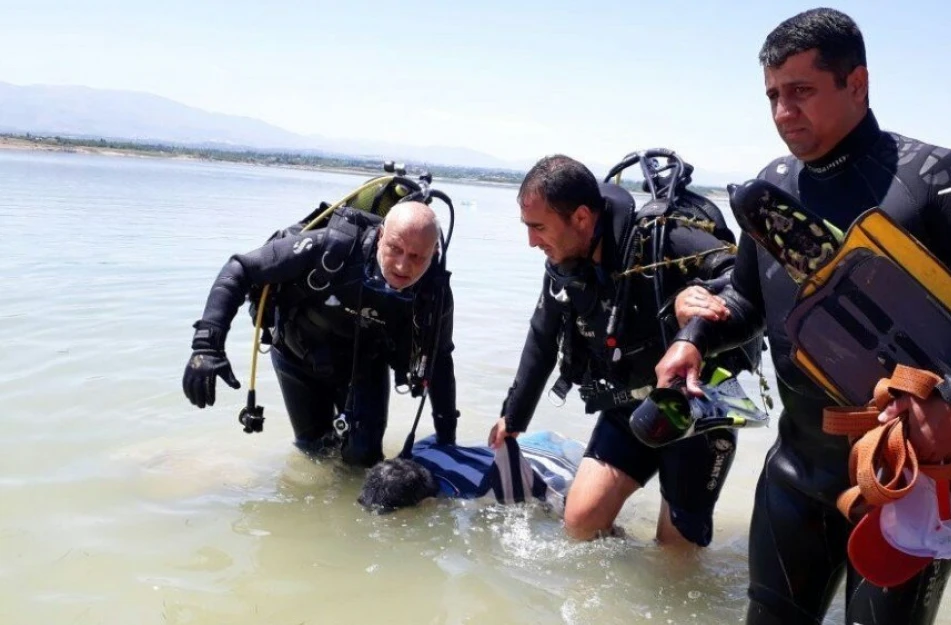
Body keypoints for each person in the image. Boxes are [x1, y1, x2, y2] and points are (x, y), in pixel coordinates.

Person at [654, 8, 951, 624]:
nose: (782, 113)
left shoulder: (933, 179)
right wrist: (694, 337)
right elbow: (744, 304)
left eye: (801, 92)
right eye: (772, 95)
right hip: (794, 474)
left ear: (857, 84)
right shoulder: (773, 189)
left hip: (906, 483)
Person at [488, 154, 746, 549]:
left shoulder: (665, 239)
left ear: (581, 218)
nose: (531, 241)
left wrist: (698, 301)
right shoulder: (563, 264)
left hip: (694, 408)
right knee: (579, 524)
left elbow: (743, 281)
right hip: (628, 405)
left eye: (539, 228)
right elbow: (542, 336)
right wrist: (514, 415)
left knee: (675, 556)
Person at [183, 200, 459, 468]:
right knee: (313, 451)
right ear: (379, 236)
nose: (401, 266)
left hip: (364, 366)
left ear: (434, 252)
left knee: (363, 459)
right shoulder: (330, 248)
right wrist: (207, 346)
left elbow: (440, 359)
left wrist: (448, 439)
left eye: (416, 257)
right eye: (394, 248)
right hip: (298, 355)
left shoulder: (433, 293)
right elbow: (240, 268)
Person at [358, 430, 583, 514]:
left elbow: (549, 498)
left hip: (560, 462)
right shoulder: (418, 450)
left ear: (427, 503)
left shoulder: (478, 492)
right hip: (536, 438)